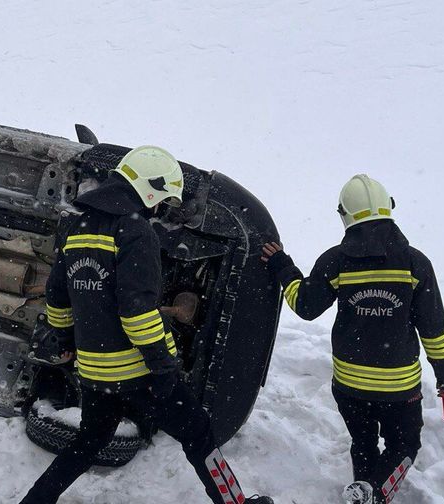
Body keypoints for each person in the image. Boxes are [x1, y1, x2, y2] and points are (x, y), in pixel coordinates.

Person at [20, 146, 273, 504]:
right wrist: (164, 366)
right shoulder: (135, 231)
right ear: (150, 190)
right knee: (199, 433)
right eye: (162, 200)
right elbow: (137, 313)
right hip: (137, 373)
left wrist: (64, 338)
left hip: (94, 372)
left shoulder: (79, 227)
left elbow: (58, 299)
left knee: (89, 442)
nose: (161, 209)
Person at [261, 174, 444, 504]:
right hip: (399, 389)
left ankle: (362, 490)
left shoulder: (336, 261)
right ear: (388, 208)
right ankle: (377, 495)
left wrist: (283, 266)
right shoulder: (415, 264)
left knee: (363, 443)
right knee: (405, 446)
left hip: (350, 386)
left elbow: (305, 307)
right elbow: (433, 329)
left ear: (345, 215)